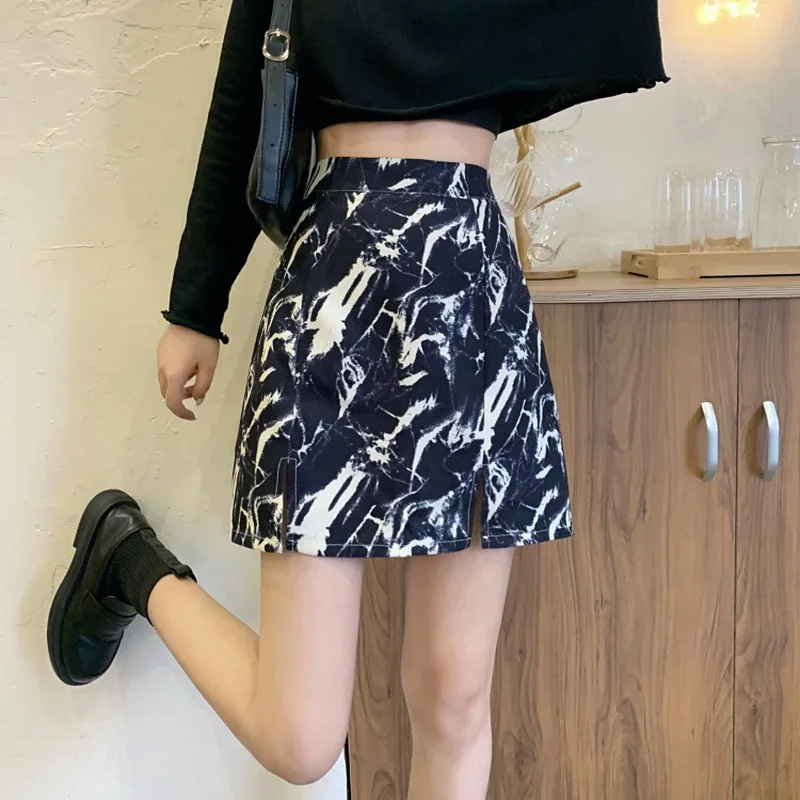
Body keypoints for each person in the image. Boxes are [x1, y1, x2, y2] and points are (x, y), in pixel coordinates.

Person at [47, 0, 668, 796]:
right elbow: (241, 100)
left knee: (454, 696)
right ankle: (130, 561)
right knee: (299, 739)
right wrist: (195, 309)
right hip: (333, 299)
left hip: (469, 297)